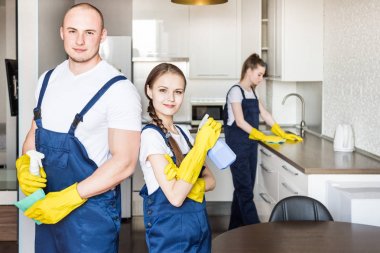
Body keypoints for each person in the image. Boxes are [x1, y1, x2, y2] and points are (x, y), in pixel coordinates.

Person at [15, 3, 141, 253]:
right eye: (73, 31)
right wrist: (25, 165)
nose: (80, 40)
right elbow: (35, 134)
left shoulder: (119, 89)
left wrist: (69, 198)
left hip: (91, 216)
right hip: (48, 208)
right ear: (62, 32)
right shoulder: (47, 79)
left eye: (89, 32)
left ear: (102, 35)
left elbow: (125, 161)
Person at [139, 63, 220, 253]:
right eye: (163, 90)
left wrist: (188, 185)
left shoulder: (183, 133)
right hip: (171, 235)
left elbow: (211, 181)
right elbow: (175, 197)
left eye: (178, 92)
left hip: (199, 229)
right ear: (149, 91)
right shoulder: (151, 136)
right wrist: (200, 148)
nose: (171, 98)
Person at [223, 53, 303, 230]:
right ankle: (258, 233)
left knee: (244, 188)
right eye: (259, 74)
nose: (261, 79)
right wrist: (263, 136)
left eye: (262, 75)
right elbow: (240, 121)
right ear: (248, 70)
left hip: (250, 145)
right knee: (245, 191)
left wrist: (279, 131)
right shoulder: (236, 91)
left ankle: (234, 229)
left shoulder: (252, 91)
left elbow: (264, 114)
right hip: (237, 146)